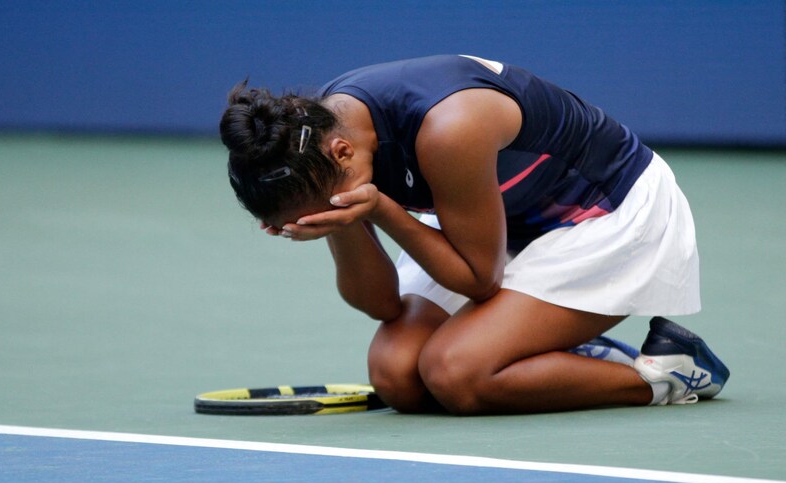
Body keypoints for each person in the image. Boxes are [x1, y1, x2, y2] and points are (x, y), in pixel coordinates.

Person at [219, 54, 729, 414]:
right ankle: (551, 346)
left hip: (605, 213)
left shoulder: (449, 128)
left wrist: (380, 211)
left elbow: (480, 281)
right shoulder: (322, 136)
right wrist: (346, 221)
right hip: (493, 214)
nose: (328, 215)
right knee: (397, 376)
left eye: (326, 208)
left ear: (343, 155)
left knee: (456, 374)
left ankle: (666, 376)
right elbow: (382, 305)